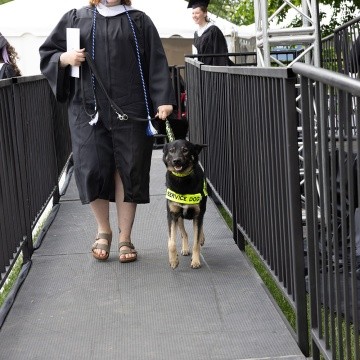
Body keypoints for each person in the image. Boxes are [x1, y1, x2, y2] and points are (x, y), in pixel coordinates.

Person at [39, 0, 176, 263]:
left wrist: (162, 98)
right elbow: (48, 53)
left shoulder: (138, 20)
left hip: (131, 107)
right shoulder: (76, 17)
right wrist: (64, 59)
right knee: (91, 166)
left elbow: (156, 61)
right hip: (87, 109)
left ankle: (125, 237)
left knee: (129, 167)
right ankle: (103, 229)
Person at [188, 0, 233, 66]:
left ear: (205, 13)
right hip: (201, 72)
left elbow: (220, 55)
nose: (194, 16)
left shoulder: (213, 30)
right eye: (193, 13)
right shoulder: (196, 33)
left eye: (197, 13)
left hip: (212, 72)